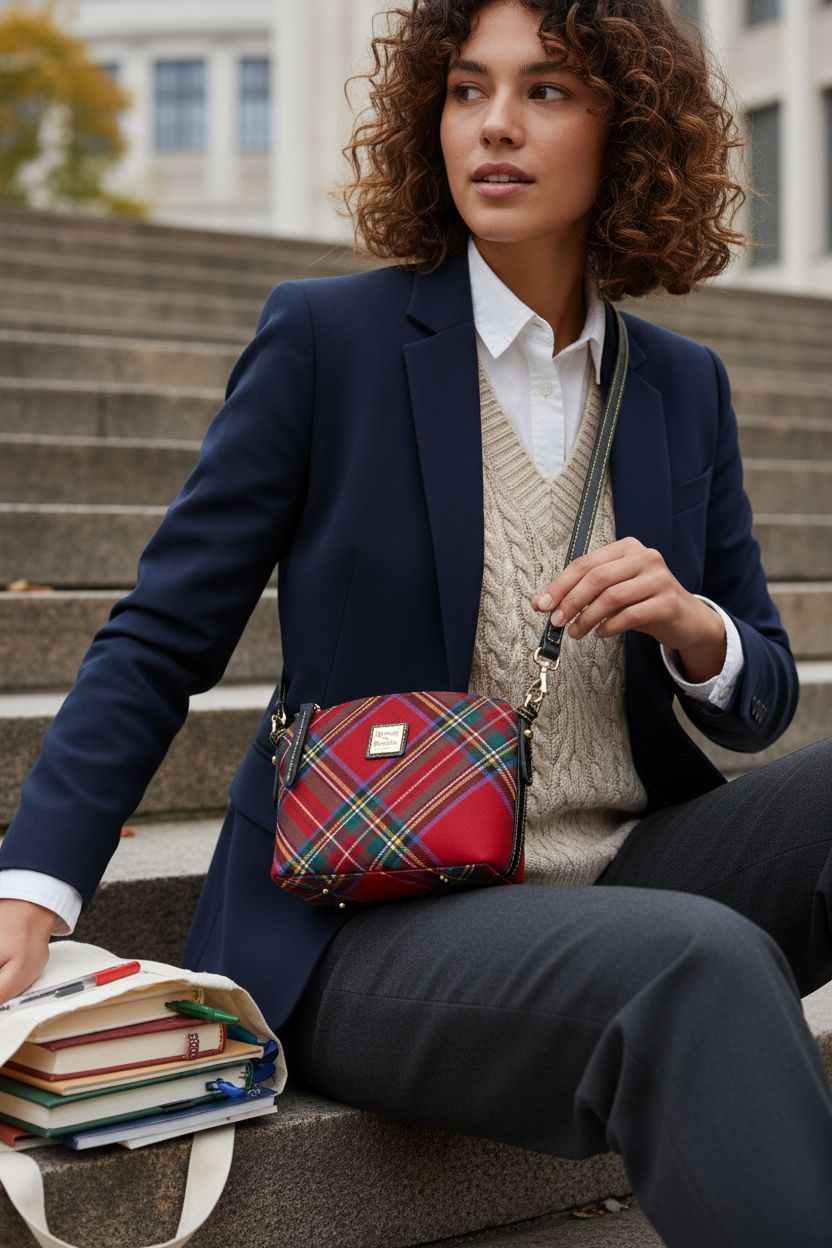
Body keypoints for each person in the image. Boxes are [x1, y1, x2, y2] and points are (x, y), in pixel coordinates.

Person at [1, 0, 831, 1242]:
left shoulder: (678, 386)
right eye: (465, 90)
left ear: (631, 132)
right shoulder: (328, 341)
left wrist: (691, 624)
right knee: (693, 962)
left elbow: (760, 690)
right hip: (369, 921)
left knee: (693, 928)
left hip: (620, 871)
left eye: (546, 90)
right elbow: (162, 634)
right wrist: (33, 887)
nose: (494, 125)